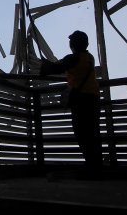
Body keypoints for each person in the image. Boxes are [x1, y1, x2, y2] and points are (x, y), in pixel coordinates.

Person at [39, 30, 102, 173]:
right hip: (93, 99)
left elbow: (56, 68)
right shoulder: (89, 57)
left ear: (73, 44)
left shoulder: (73, 58)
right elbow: (61, 65)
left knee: (82, 134)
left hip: (81, 101)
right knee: (92, 134)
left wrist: (44, 66)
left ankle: (92, 169)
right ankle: (96, 168)